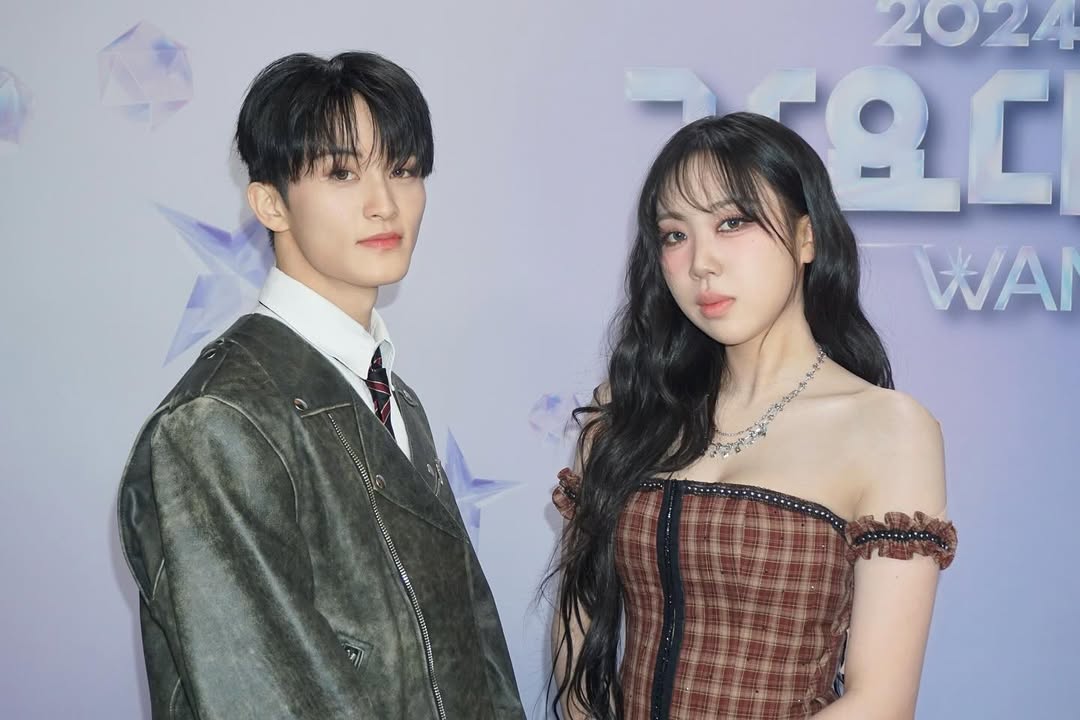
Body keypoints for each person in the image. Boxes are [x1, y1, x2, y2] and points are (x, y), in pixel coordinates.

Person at [117, 51, 524, 719]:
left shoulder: (393, 395)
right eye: (342, 172)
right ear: (270, 203)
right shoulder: (216, 421)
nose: (384, 204)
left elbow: (475, 653)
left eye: (404, 169)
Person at [549, 112, 957, 720]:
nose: (701, 263)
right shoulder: (628, 411)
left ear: (806, 237)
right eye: (674, 235)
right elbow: (576, 624)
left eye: (732, 223)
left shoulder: (889, 429)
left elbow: (880, 702)